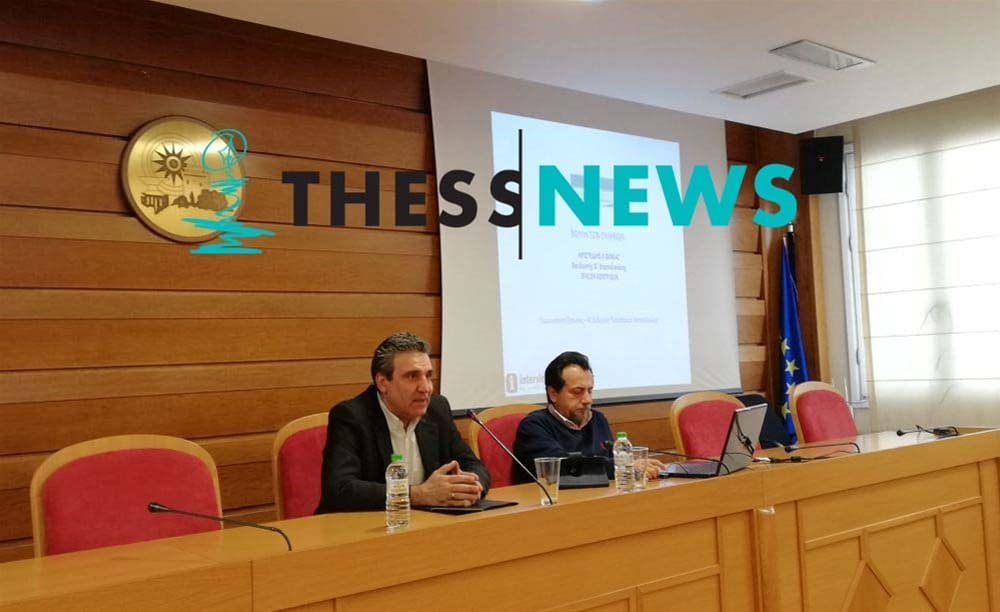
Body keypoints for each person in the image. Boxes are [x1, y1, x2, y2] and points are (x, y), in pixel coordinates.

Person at [316, 332, 490, 513]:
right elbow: (339, 489)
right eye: (412, 376)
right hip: (365, 524)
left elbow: (473, 465)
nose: (425, 388)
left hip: (427, 522)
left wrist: (470, 485)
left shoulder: (437, 409)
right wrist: (419, 494)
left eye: (428, 376)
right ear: (382, 382)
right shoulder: (351, 416)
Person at [512, 351, 663, 482]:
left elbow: (610, 461)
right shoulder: (534, 426)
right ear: (553, 394)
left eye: (589, 391)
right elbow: (564, 468)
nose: (587, 400)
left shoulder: (597, 419)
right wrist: (622, 467)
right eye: (577, 392)